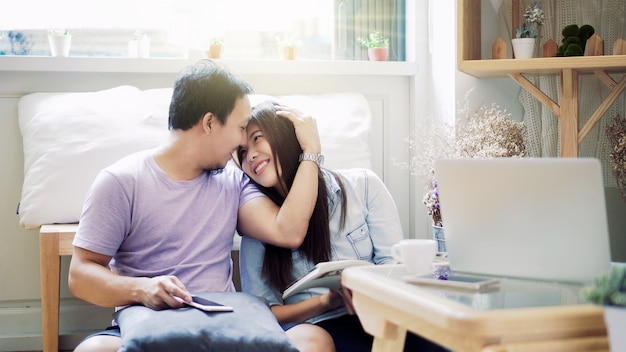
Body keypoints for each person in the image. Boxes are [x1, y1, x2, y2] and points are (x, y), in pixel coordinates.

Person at [67, 60, 322, 352]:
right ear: (210, 122)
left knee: (311, 340)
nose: (243, 141)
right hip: (148, 325)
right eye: (240, 128)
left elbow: (288, 231)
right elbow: (81, 274)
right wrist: (143, 289)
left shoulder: (233, 182)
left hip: (226, 326)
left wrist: (311, 152)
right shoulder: (121, 181)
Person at [236, 102, 447, 352]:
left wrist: (365, 288)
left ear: (284, 134)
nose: (249, 155)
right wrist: (327, 301)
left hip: (376, 316)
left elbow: (392, 266)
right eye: (241, 152)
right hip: (315, 327)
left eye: (257, 139)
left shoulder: (364, 186)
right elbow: (262, 312)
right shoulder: (261, 226)